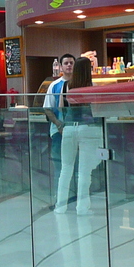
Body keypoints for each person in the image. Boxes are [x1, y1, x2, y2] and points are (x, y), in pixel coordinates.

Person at [51, 56, 102, 215]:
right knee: (84, 171)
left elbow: (60, 108)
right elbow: (98, 110)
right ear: (89, 70)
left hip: (69, 129)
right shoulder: (93, 87)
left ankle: (60, 206)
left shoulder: (66, 86)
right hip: (88, 128)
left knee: (66, 168)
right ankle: (82, 207)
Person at [43, 54, 76, 197]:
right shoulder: (54, 86)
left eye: (71, 63)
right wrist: (58, 125)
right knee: (60, 165)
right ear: (61, 66)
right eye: (66, 63)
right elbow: (47, 108)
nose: (69, 65)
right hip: (59, 133)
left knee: (76, 166)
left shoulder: (80, 84)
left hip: (77, 131)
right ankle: (60, 197)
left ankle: (75, 195)